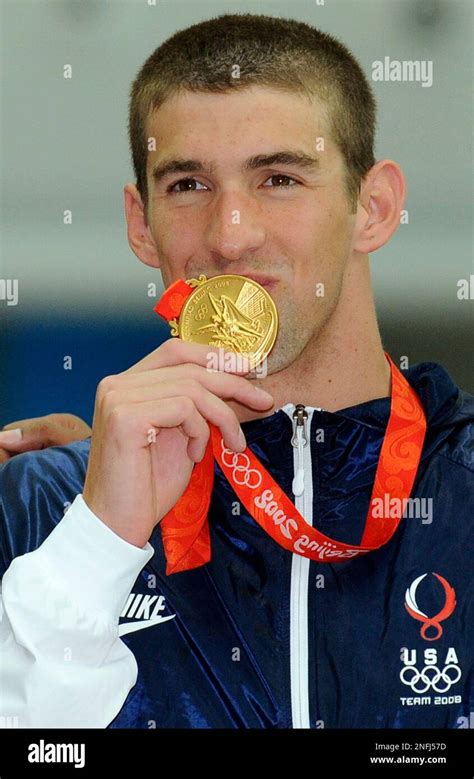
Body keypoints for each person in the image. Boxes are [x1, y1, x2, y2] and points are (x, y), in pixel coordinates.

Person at [0, 13, 472, 729]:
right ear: (140, 221)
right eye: (188, 185)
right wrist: (94, 542)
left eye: (279, 178)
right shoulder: (47, 508)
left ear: (374, 208)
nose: (230, 234)